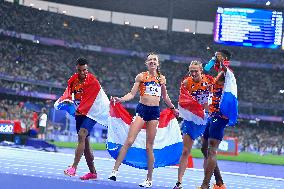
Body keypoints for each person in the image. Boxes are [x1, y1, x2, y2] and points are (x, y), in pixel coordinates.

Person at [108, 52, 178, 188]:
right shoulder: (141, 76)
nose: (152, 61)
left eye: (154, 60)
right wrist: (120, 99)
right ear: (147, 63)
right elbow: (132, 94)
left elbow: (165, 97)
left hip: (154, 113)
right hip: (142, 110)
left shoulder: (162, 79)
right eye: (150, 60)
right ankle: (114, 171)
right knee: (129, 141)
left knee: (149, 146)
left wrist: (173, 108)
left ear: (158, 63)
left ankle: (149, 179)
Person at [60, 57, 109, 180]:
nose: (83, 73)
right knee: (86, 145)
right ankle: (93, 173)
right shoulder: (72, 80)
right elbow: (68, 94)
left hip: (92, 113)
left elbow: (97, 99)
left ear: (87, 69)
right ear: (77, 69)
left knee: (82, 135)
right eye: (80, 70)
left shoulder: (93, 81)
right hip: (80, 113)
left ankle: (73, 168)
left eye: (85, 70)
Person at [173, 60, 213, 189]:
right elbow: (183, 100)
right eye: (191, 71)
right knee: (185, 151)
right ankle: (178, 183)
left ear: (201, 70)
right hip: (191, 119)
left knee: (207, 152)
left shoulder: (210, 81)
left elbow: (215, 99)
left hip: (206, 118)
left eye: (196, 70)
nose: (194, 73)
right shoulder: (186, 83)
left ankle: (205, 184)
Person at [198, 50, 234, 189]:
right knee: (204, 148)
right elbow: (206, 69)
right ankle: (219, 182)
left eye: (217, 56)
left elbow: (225, 69)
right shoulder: (219, 73)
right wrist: (214, 60)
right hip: (212, 115)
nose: (214, 58)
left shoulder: (227, 73)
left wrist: (221, 61)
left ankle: (205, 185)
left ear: (224, 59)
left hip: (220, 116)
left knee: (212, 150)